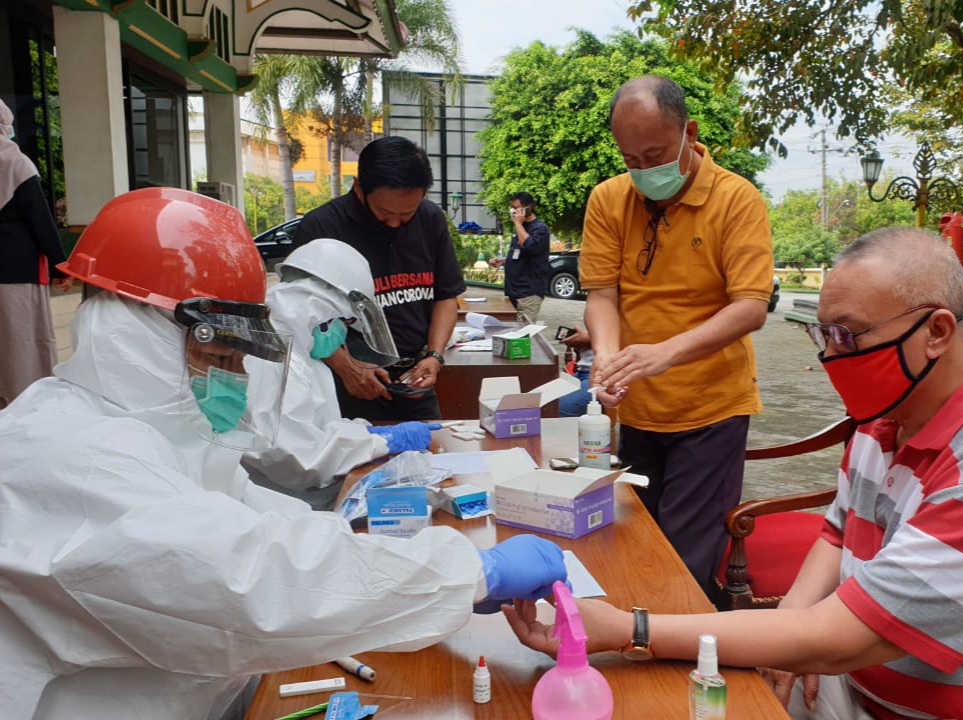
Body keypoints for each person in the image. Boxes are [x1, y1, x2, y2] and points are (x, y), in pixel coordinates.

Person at [0, 187, 567, 720]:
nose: (236, 378)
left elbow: (262, 517)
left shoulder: (151, 429)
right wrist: (468, 573)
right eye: (219, 357)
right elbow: (253, 582)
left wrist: (408, 565)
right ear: (138, 335)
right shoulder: (69, 455)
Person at [506, 228, 963, 720]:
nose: (830, 357)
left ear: (938, 332)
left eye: (848, 335)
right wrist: (793, 633)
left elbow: (845, 639)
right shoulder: (890, 413)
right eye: (822, 333)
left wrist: (631, 630)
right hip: (853, 676)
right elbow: (838, 531)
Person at [580, 75, 774, 597]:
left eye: (655, 155)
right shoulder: (608, 199)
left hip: (711, 408)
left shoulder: (736, 199)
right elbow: (602, 295)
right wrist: (607, 361)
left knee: (684, 560)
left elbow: (750, 306)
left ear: (689, 132)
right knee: (635, 540)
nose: (644, 170)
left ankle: (684, 640)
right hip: (637, 406)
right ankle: (637, 632)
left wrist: (666, 353)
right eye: (631, 159)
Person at [243, 237, 436, 510]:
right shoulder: (269, 357)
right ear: (319, 309)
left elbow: (318, 428)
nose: (342, 332)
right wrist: (382, 441)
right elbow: (299, 459)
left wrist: (364, 431)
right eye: (344, 321)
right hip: (286, 509)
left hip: (306, 500)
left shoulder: (300, 352)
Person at [294, 136, 463, 422]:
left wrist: (434, 356)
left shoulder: (430, 219)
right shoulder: (322, 227)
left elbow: (446, 297)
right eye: (384, 212)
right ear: (359, 188)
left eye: (407, 213)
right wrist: (348, 368)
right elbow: (299, 313)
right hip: (349, 385)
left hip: (414, 381)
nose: (395, 223)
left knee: (433, 446)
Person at [0, 98, 71, 409]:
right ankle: (24, 404)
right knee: (22, 340)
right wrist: (60, 266)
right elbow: (40, 221)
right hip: (16, 270)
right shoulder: (15, 163)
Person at [489, 191, 551, 321]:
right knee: (511, 329)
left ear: (528, 207)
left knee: (523, 330)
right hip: (513, 292)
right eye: (511, 208)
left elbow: (529, 246)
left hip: (528, 293)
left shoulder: (540, 228)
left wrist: (517, 223)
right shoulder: (520, 228)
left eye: (516, 208)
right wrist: (504, 261)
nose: (513, 211)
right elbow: (522, 254)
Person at [557, 324, 595, 417]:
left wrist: (590, 339)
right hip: (582, 370)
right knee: (544, 399)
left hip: (601, 374)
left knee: (558, 409)